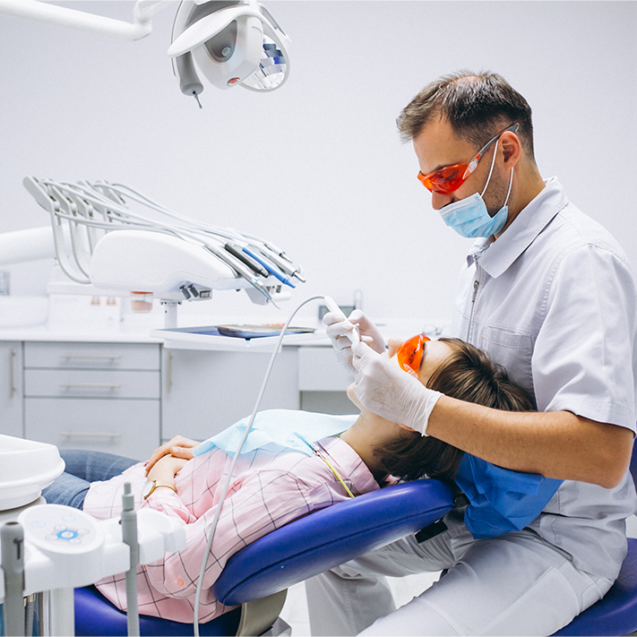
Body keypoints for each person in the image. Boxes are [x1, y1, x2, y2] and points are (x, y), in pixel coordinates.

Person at [315, 70, 637, 636]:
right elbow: (475, 384)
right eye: (427, 181)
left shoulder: (578, 261)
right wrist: (388, 361)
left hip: (556, 534)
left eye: (449, 175)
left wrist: (422, 409)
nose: (438, 199)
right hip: (480, 511)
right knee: (324, 553)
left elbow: (602, 454)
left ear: (507, 150)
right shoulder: (491, 253)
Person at [42, 335, 539, 625]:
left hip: (129, 537)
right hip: (174, 490)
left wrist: (164, 482)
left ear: (413, 415)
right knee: (55, 456)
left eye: (408, 356)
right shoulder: (369, 462)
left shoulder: (303, 485)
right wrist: (218, 460)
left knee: (22, 471)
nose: (386, 352)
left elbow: (181, 573)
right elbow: (258, 486)